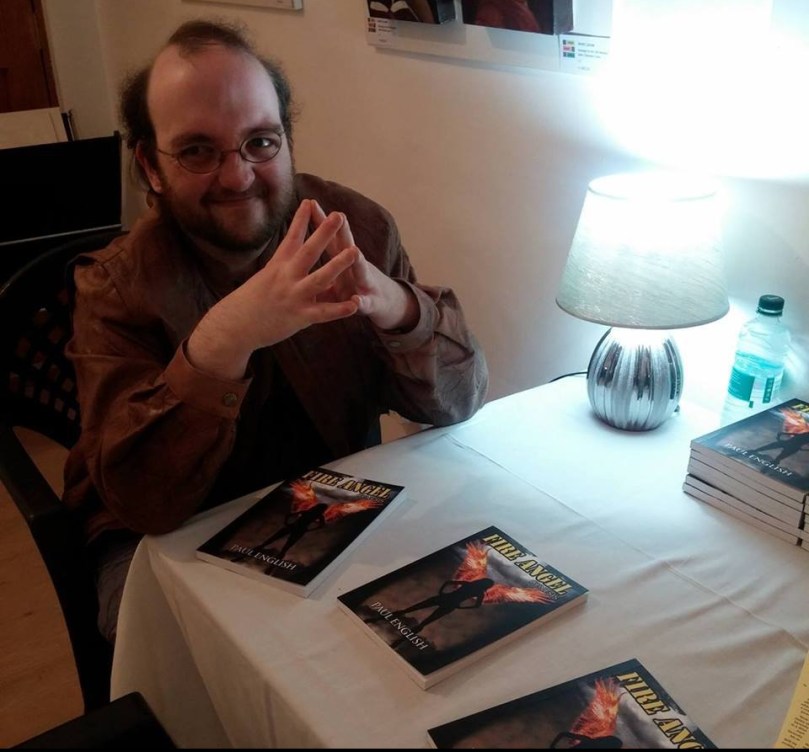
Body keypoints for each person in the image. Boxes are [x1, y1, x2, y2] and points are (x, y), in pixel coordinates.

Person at [63, 18, 488, 643]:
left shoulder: (359, 227)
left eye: (260, 142)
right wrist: (225, 339)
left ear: (287, 139)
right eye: (198, 151)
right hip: (166, 537)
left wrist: (396, 305)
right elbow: (142, 502)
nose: (237, 177)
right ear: (151, 166)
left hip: (332, 501)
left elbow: (459, 399)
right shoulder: (114, 286)